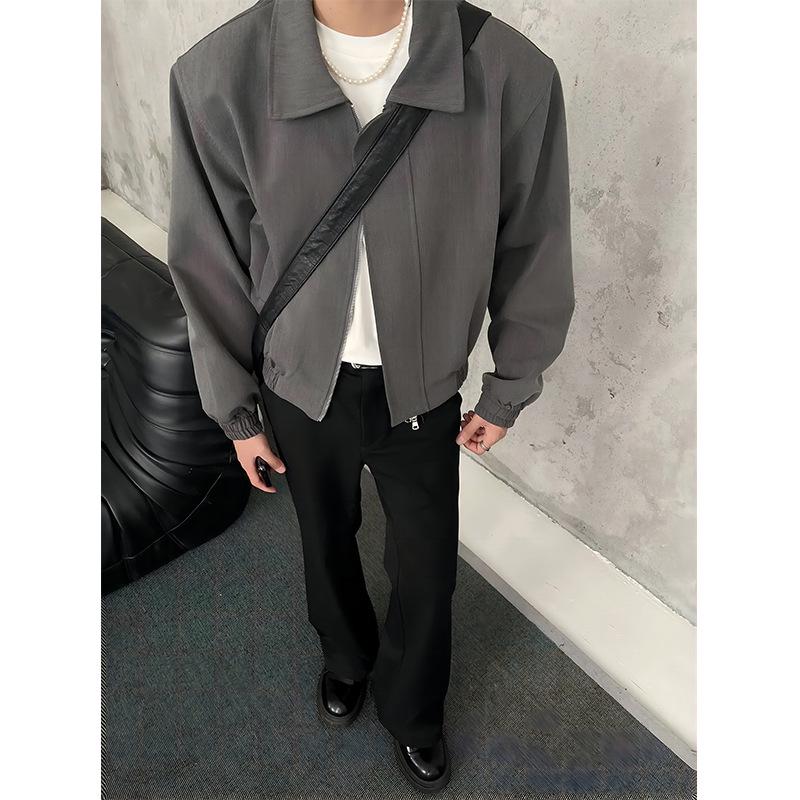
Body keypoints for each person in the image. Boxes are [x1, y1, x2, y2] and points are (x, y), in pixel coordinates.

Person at [167, 0, 573, 791]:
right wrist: (238, 412)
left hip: (421, 391)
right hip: (299, 385)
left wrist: (509, 387)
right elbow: (207, 259)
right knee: (324, 539)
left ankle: (414, 711)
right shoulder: (219, 75)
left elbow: (535, 239)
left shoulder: (508, 72)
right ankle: (345, 657)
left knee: (426, 566)